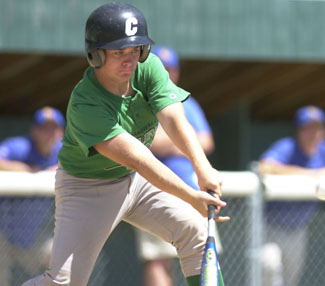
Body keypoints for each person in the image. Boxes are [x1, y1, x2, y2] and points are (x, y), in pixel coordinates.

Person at [22, 3, 229, 286]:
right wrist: (191, 196)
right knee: (65, 282)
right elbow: (139, 159)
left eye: (135, 50)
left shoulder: (149, 67)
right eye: (118, 52)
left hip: (135, 182)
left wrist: (203, 167)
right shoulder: (86, 104)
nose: (129, 60)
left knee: (194, 232)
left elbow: (174, 118)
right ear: (95, 55)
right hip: (87, 187)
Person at [258, 105, 325, 286]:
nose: (313, 133)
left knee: (290, 280)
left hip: (298, 229)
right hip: (271, 227)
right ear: (298, 131)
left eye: (317, 128)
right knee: (270, 268)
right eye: (308, 128)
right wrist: (306, 173)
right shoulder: (288, 147)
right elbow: (265, 166)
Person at [135, 45, 215, 286]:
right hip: (154, 192)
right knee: (159, 259)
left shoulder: (186, 101)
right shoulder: (139, 100)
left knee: (204, 255)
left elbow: (206, 142)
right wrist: (185, 145)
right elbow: (144, 145)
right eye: (163, 68)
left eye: (172, 69)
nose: (168, 74)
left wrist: (169, 142)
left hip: (194, 189)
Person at [0, 106, 65, 285]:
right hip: (2, 233)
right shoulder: (19, 147)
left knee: (62, 261)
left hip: (33, 235)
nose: (49, 133)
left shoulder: (64, 152)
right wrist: (27, 170)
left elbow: (86, 164)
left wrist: (55, 169)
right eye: (44, 128)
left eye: (53, 128)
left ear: (61, 132)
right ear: (33, 130)